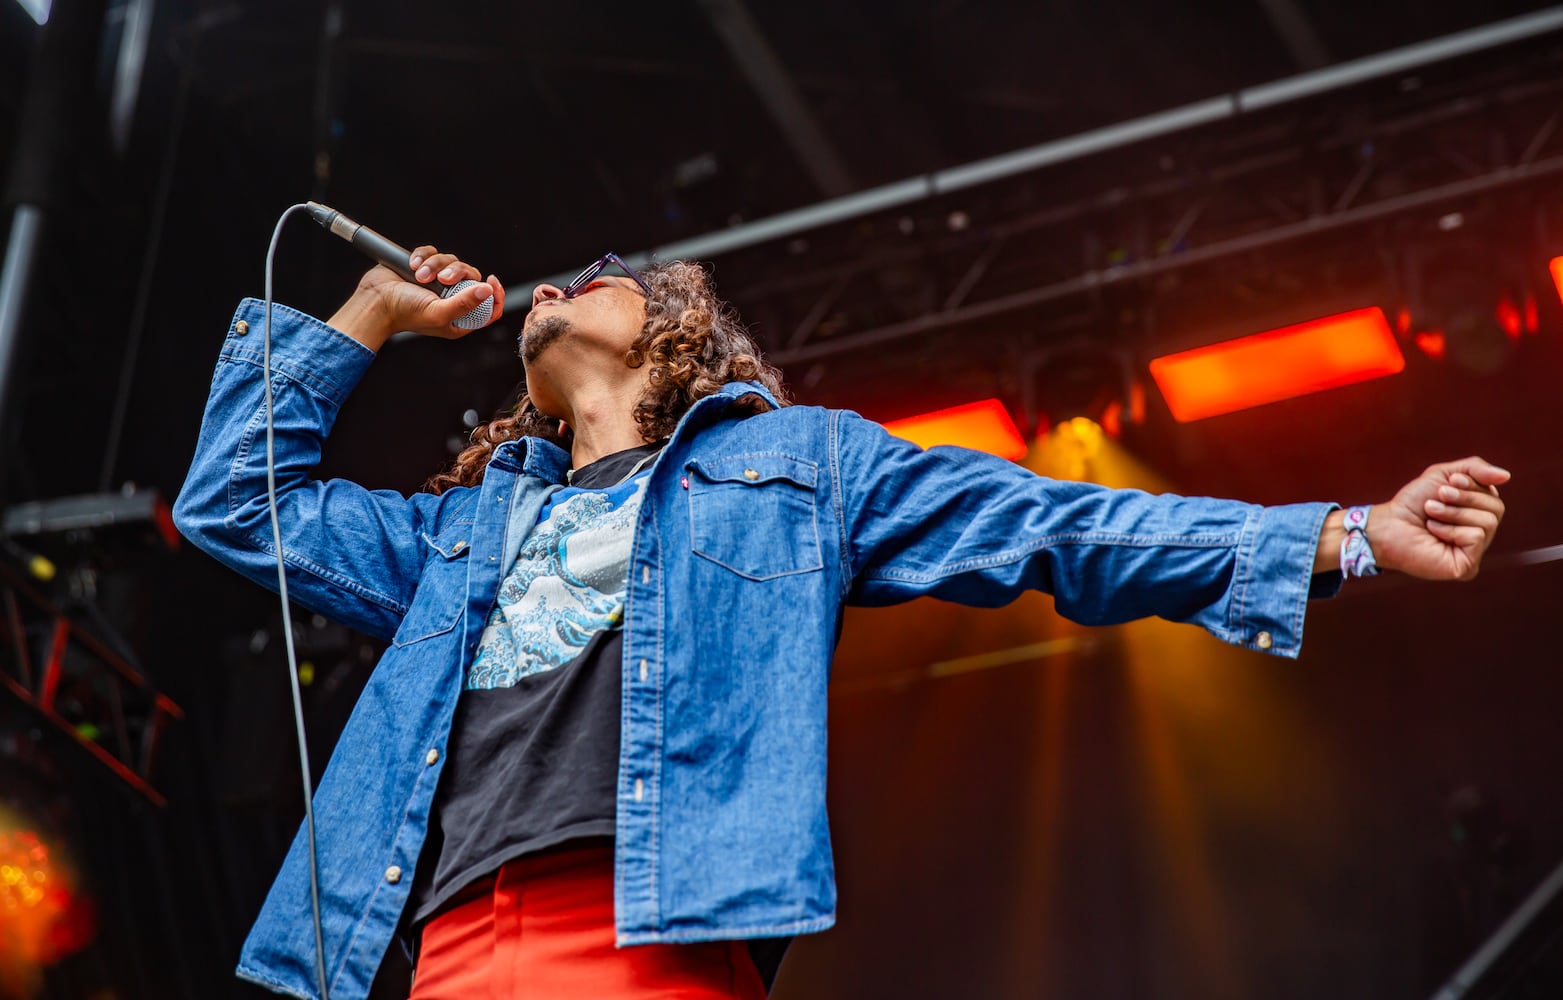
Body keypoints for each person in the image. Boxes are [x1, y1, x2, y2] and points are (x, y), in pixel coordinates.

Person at [173, 246, 1508, 1000]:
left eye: (605, 274)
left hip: (640, 941)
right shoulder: (457, 538)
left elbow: (1059, 524)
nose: (559, 284)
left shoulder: (796, 466)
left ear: (679, 334)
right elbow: (238, 503)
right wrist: (364, 315)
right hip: (448, 955)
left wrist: (1339, 537)